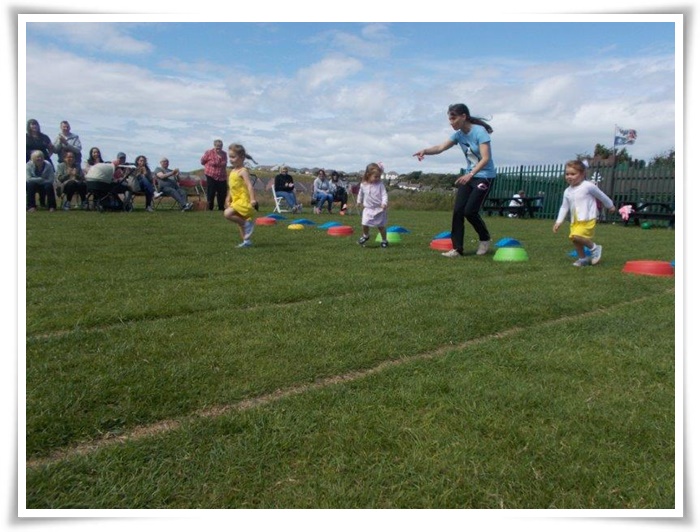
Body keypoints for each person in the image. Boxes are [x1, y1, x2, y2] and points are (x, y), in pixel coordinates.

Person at [413, 103, 496, 258]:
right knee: (458, 211)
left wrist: (471, 174)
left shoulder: (480, 132)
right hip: (469, 176)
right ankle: (457, 249)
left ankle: (484, 238)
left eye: (453, 118)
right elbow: (440, 148)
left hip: (484, 176)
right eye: (449, 119)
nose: (451, 122)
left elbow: (485, 158)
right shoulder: (458, 135)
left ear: (463, 117)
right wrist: (425, 151)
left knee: (470, 211)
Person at [553, 160, 616, 267]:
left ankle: (595, 248)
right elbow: (564, 207)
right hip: (575, 220)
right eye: (567, 174)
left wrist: (610, 205)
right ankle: (583, 259)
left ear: (582, 174)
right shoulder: (567, 191)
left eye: (573, 174)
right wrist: (559, 221)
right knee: (574, 239)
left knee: (577, 236)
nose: (569, 176)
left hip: (587, 218)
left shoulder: (588, 186)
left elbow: (601, 196)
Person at [223, 144, 259, 248]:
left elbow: (249, 185)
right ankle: (246, 241)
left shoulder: (243, 171)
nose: (231, 159)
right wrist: (228, 198)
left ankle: (247, 224)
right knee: (240, 222)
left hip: (243, 199)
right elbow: (232, 187)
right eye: (230, 157)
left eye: (233, 157)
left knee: (227, 213)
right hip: (236, 200)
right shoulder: (232, 171)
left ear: (242, 157)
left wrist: (252, 199)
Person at [356, 163, 389, 248]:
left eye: (379, 176)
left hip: (379, 209)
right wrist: (359, 201)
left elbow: (384, 195)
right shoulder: (363, 184)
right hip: (368, 209)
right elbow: (360, 193)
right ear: (368, 175)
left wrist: (384, 203)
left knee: (381, 227)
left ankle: (384, 240)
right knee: (364, 223)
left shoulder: (380, 185)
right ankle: (365, 235)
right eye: (375, 177)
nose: (378, 178)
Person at [200, 139, 229, 211]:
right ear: (214, 146)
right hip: (211, 174)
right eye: (217, 146)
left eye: (220, 146)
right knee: (211, 191)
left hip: (222, 175)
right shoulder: (209, 152)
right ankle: (210, 208)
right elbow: (202, 161)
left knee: (222, 191)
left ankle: (221, 207)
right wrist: (209, 165)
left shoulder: (224, 154)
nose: (219, 148)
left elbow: (225, 163)